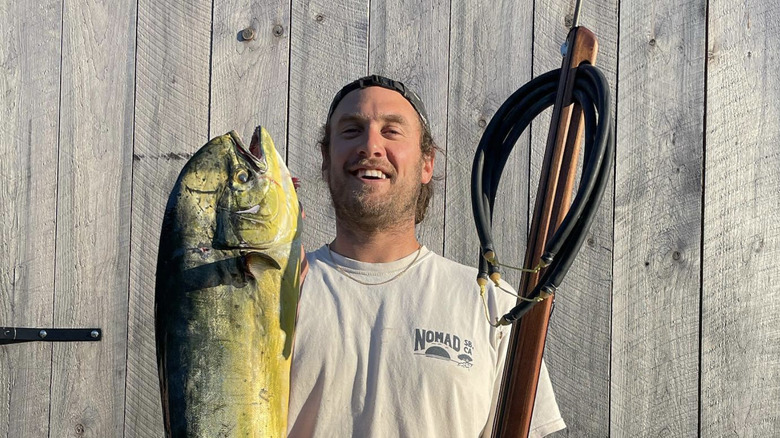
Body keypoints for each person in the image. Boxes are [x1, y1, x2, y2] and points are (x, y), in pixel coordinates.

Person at [287, 75, 566, 437]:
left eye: (391, 131)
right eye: (352, 130)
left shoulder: (490, 305)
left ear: (426, 163)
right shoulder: (277, 293)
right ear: (326, 159)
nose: (371, 145)